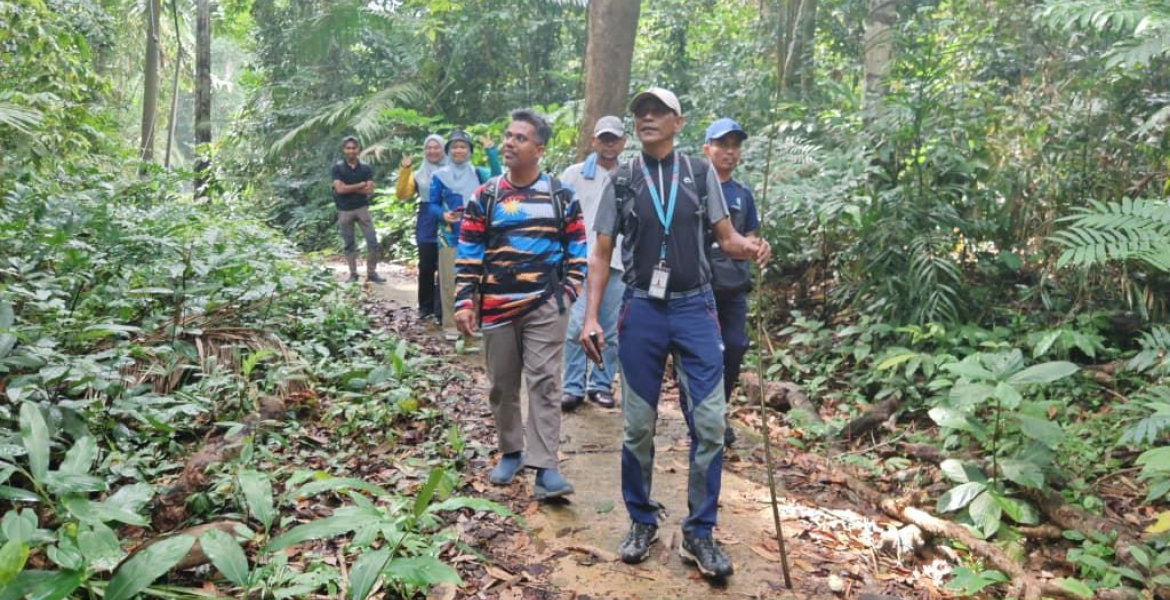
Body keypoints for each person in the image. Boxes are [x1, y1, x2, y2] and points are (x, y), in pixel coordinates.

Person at [580, 88, 771, 578]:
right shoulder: (622, 178)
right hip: (642, 308)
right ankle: (641, 520)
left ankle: (699, 532)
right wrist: (591, 316)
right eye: (640, 112)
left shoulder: (700, 172)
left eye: (658, 112)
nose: (647, 118)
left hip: (695, 308)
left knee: (709, 424)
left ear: (678, 122)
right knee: (637, 426)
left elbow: (726, 239)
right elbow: (601, 252)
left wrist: (752, 247)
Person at [453, 109, 587, 501]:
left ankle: (546, 468)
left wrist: (569, 291)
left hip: (545, 305)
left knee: (545, 382)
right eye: (508, 135)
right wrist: (464, 300)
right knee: (502, 385)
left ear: (539, 149)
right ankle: (511, 451)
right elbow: (469, 250)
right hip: (496, 306)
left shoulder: (560, 195)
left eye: (520, 138)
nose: (509, 143)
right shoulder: (486, 195)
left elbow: (578, 248)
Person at [560, 115, 628, 411]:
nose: (609, 144)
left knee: (611, 328)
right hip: (580, 260)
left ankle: (600, 384)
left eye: (614, 139)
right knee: (576, 324)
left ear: (623, 142)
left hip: (619, 262)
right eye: (604, 139)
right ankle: (572, 386)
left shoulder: (629, 175)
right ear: (594, 141)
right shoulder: (574, 175)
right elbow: (558, 213)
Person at [701, 118, 760, 448]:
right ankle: (705, 414)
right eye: (722, 145)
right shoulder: (694, 187)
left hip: (734, 285)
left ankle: (718, 410)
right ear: (706, 148)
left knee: (735, 346)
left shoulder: (742, 194)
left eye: (735, 146)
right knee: (705, 350)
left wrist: (760, 248)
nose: (730, 151)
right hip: (700, 285)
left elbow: (749, 236)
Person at [430, 131, 501, 341]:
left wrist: (491, 152)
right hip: (449, 235)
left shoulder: (479, 173)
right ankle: (451, 325)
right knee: (449, 281)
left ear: (469, 151)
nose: (458, 151)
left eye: (463, 147)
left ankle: (474, 323)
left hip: (478, 236)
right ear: (448, 151)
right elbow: (432, 204)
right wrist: (443, 215)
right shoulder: (439, 176)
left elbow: (498, 178)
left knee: (478, 281)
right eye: (454, 147)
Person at [395, 134, 447, 321]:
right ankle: (425, 306)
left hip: (448, 219)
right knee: (426, 265)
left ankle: (442, 309)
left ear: (443, 149)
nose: (432, 151)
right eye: (428, 148)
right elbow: (402, 194)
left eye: (436, 147)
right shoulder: (418, 174)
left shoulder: (453, 171)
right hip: (426, 221)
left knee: (445, 266)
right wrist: (405, 170)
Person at [331, 135, 385, 284]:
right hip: (344, 211)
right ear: (344, 150)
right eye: (348, 148)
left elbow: (369, 190)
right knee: (349, 244)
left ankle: (372, 273)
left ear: (358, 149)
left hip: (362, 209)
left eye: (353, 148)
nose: (351, 151)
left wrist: (348, 187)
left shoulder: (366, 168)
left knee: (372, 242)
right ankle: (353, 274)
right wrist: (360, 185)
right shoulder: (337, 168)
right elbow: (339, 189)